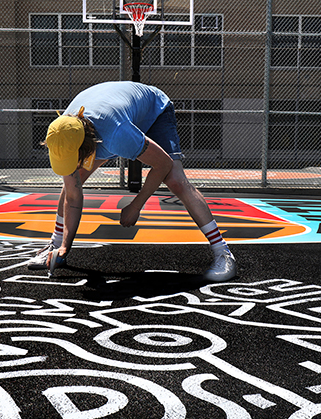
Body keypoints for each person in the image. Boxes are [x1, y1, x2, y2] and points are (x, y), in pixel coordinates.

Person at [27, 81, 237, 282]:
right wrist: (64, 246)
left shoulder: (116, 134)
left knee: (175, 179)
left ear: (89, 146)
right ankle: (53, 246)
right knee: (74, 179)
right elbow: (72, 195)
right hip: (111, 112)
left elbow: (162, 164)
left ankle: (223, 253)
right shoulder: (62, 131)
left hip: (155, 111)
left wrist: (136, 205)